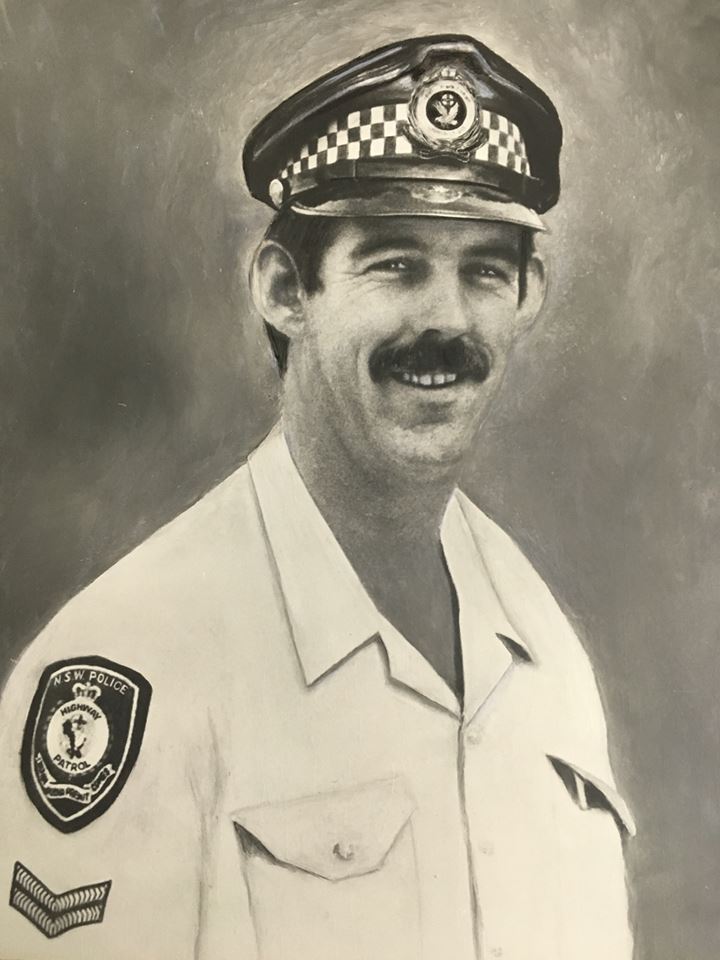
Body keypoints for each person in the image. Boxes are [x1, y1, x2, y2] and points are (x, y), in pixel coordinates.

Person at [0, 33, 636, 960]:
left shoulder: (543, 649)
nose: (447, 319)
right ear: (285, 290)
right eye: (395, 263)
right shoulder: (133, 663)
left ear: (529, 294)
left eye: (484, 272)